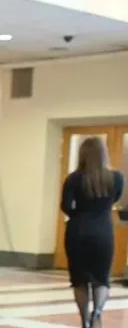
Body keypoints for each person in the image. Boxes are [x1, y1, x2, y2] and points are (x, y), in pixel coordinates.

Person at [61, 136, 125, 328]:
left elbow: (65, 206)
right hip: (103, 232)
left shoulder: (73, 178)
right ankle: (97, 312)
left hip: (77, 232)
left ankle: (85, 320)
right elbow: (115, 199)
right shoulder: (117, 177)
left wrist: (79, 215)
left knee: (79, 280)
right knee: (101, 279)